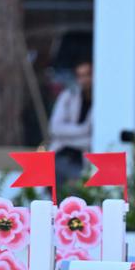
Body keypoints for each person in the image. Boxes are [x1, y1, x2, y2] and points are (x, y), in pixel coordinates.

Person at [49, 60, 93, 188]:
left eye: (87, 75)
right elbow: (54, 128)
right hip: (60, 153)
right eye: (80, 76)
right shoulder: (69, 96)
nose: (84, 80)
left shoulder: (101, 100)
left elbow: (93, 140)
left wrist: (67, 137)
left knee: (77, 187)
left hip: (85, 162)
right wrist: (83, 129)